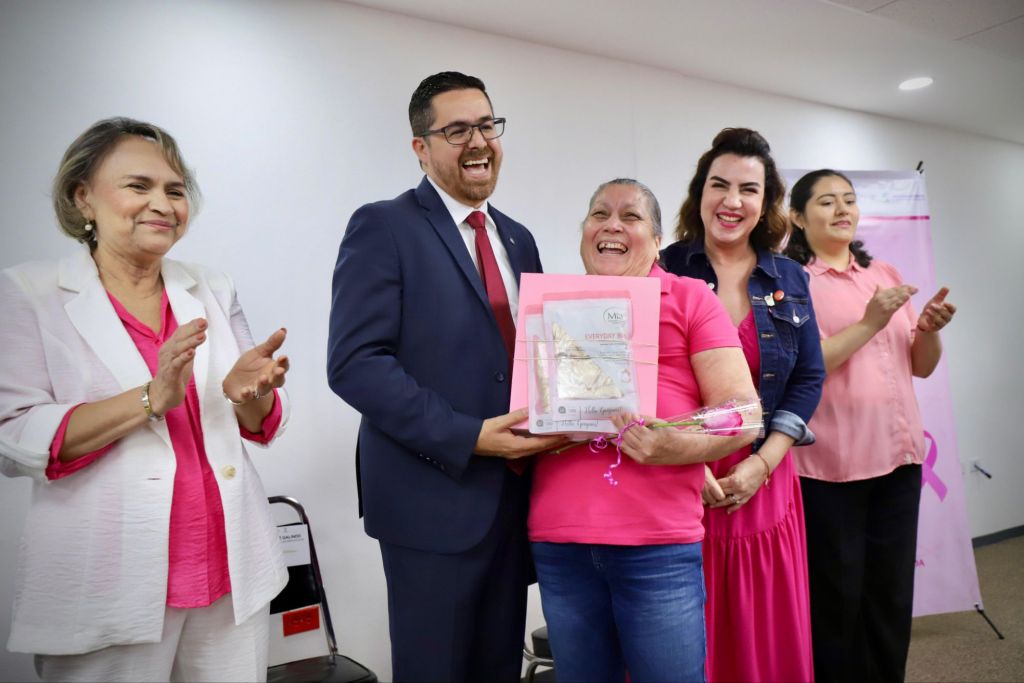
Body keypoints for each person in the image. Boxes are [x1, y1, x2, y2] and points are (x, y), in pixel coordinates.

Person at [0, 118, 291, 682]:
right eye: (139, 186)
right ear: (82, 196)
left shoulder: (212, 285)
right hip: (105, 581)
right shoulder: (29, 292)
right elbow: (15, 437)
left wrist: (246, 394)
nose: (163, 204)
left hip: (230, 569)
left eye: (175, 190)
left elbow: (259, 420)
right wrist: (150, 398)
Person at [326, 71, 562, 683]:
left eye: (486, 125)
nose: (477, 141)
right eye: (456, 130)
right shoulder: (384, 226)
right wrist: (470, 436)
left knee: (498, 668)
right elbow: (355, 364)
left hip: (513, 500)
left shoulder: (519, 238)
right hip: (430, 501)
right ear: (421, 148)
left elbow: (529, 358)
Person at [528, 178, 761, 683]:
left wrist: (676, 444)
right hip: (562, 542)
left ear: (657, 241)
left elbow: (743, 414)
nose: (611, 225)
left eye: (630, 216)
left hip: (657, 543)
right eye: (599, 214)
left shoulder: (690, 298)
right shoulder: (550, 305)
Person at [661, 128, 825, 682]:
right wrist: (690, 458)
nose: (732, 201)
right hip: (681, 480)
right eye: (719, 185)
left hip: (764, 479)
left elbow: (808, 377)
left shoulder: (790, 277)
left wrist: (763, 463)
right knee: (682, 632)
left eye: (748, 189)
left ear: (766, 202)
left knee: (761, 632)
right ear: (699, 193)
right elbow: (641, 374)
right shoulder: (663, 269)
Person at [785, 169, 956, 683]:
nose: (842, 209)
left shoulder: (882, 272)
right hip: (832, 468)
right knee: (836, 601)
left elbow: (920, 365)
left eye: (849, 200)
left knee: (890, 596)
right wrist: (869, 323)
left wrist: (927, 330)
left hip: (899, 460)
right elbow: (802, 367)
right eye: (826, 201)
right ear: (797, 217)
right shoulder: (794, 282)